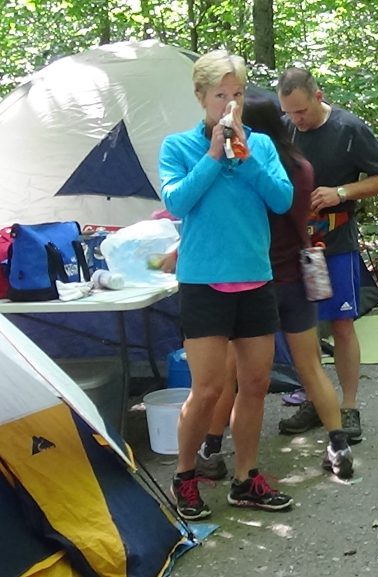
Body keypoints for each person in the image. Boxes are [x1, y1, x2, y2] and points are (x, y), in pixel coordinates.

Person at [159, 50, 294, 520]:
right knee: (210, 389)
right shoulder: (178, 147)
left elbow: (282, 199)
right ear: (201, 98)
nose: (230, 105)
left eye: (237, 95)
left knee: (255, 383)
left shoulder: (262, 146)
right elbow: (177, 203)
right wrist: (215, 155)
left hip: (255, 279)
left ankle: (245, 478)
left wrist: (247, 156)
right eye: (220, 96)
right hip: (203, 282)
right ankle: (184, 476)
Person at [193, 91, 355, 481]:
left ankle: (211, 449)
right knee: (312, 367)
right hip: (298, 275)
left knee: (233, 375)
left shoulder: (249, 171)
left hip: (256, 283)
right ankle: (338, 444)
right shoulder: (302, 166)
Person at [277, 68, 378, 442]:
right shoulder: (283, 130)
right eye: (289, 113)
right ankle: (317, 399)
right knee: (303, 326)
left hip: (335, 244)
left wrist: (341, 192)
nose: (296, 119)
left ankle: (348, 406)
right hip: (293, 246)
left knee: (341, 324)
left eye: (301, 111)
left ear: (318, 95)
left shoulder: (349, 128)